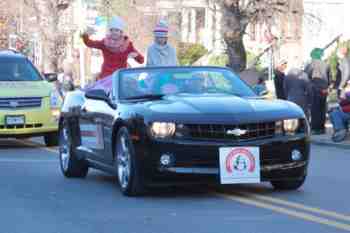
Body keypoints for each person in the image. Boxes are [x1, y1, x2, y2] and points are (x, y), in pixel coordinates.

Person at [81, 16, 144, 81]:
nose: (114, 32)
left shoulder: (127, 45)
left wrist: (136, 56)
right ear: (110, 31)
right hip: (106, 77)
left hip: (120, 78)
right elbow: (89, 43)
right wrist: (85, 35)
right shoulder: (105, 43)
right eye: (112, 30)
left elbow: (141, 61)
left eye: (116, 30)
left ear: (121, 32)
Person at [305, 48, 331, 134]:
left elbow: (306, 77)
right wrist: (326, 87)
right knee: (322, 109)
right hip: (324, 90)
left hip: (314, 89)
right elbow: (329, 78)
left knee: (315, 110)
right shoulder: (326, 64)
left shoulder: (311, 64)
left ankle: (315, 129)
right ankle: (322, 128)